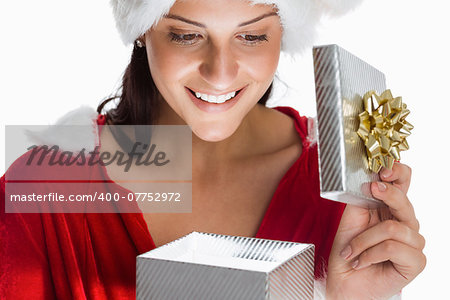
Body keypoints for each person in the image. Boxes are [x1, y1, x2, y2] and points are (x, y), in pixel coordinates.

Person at [0, 0, 426, 299]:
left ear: (283, 33)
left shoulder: (345, 198)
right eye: (186, 35)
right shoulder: (45, 188)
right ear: (143, 30)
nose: (220, 73)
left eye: (253, 35)